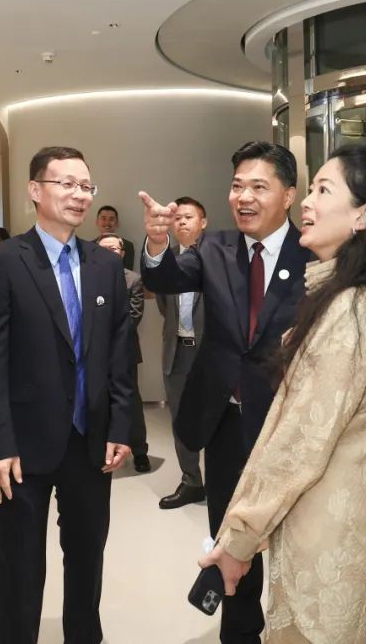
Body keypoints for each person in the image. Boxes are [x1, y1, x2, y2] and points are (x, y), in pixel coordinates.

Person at [199, 144, 366, 643]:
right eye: (310, 190)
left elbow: (299, 445)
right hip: (341, 538)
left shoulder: (351, 313)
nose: (307, 202)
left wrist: (239, 540)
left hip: (322, 547)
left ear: (362, 215)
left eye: (323, 190)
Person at [140, 141, 309, 643]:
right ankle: (239, 631)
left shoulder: (314, 253)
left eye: (259, 186)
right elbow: (166, 276)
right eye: (237, 186)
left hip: (289, 425)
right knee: (230, 533)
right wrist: (156, 242)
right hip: (227, 421)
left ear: (289, 195)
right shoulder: (214, 248)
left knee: (293, 537)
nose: (244, 197)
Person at [0, 146, 134, 644]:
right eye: (66, 183)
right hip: (23, 446)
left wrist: (121, 426)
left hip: (90, 441)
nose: (79, 195)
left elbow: (118, 356)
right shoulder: (3, 261)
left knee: (87, 561)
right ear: (35, 191)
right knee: (20, 569)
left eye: (86, 186)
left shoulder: (104, 266)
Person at [156, 196, 208, 509]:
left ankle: (222, 482)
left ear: (203, 222)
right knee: (181, 422)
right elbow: (165, 306)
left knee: (216, 420)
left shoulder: (218, 258)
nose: (182, 222)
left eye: (189, 217)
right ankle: (192, 482)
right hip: (176, 350)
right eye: (177, 218)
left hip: (210, 353)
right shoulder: (168, 260)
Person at [96, 232, 151, 473]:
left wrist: (100, 335)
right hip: (92, 354)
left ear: (122, 253)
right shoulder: (86, 277)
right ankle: (102, 448)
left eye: (114, 249)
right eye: (103, 249)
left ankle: (140, 451)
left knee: (131, 402)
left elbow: (133, 318)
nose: (109, 253)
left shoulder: (133, 279)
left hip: (123, 352)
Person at [96, 205, 136, 269]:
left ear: (117, 223)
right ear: (97, 222)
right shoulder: (89, 246)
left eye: (111, 219)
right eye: (103, 219)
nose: (107, 222)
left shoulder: (128, 245)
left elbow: (127, 270)